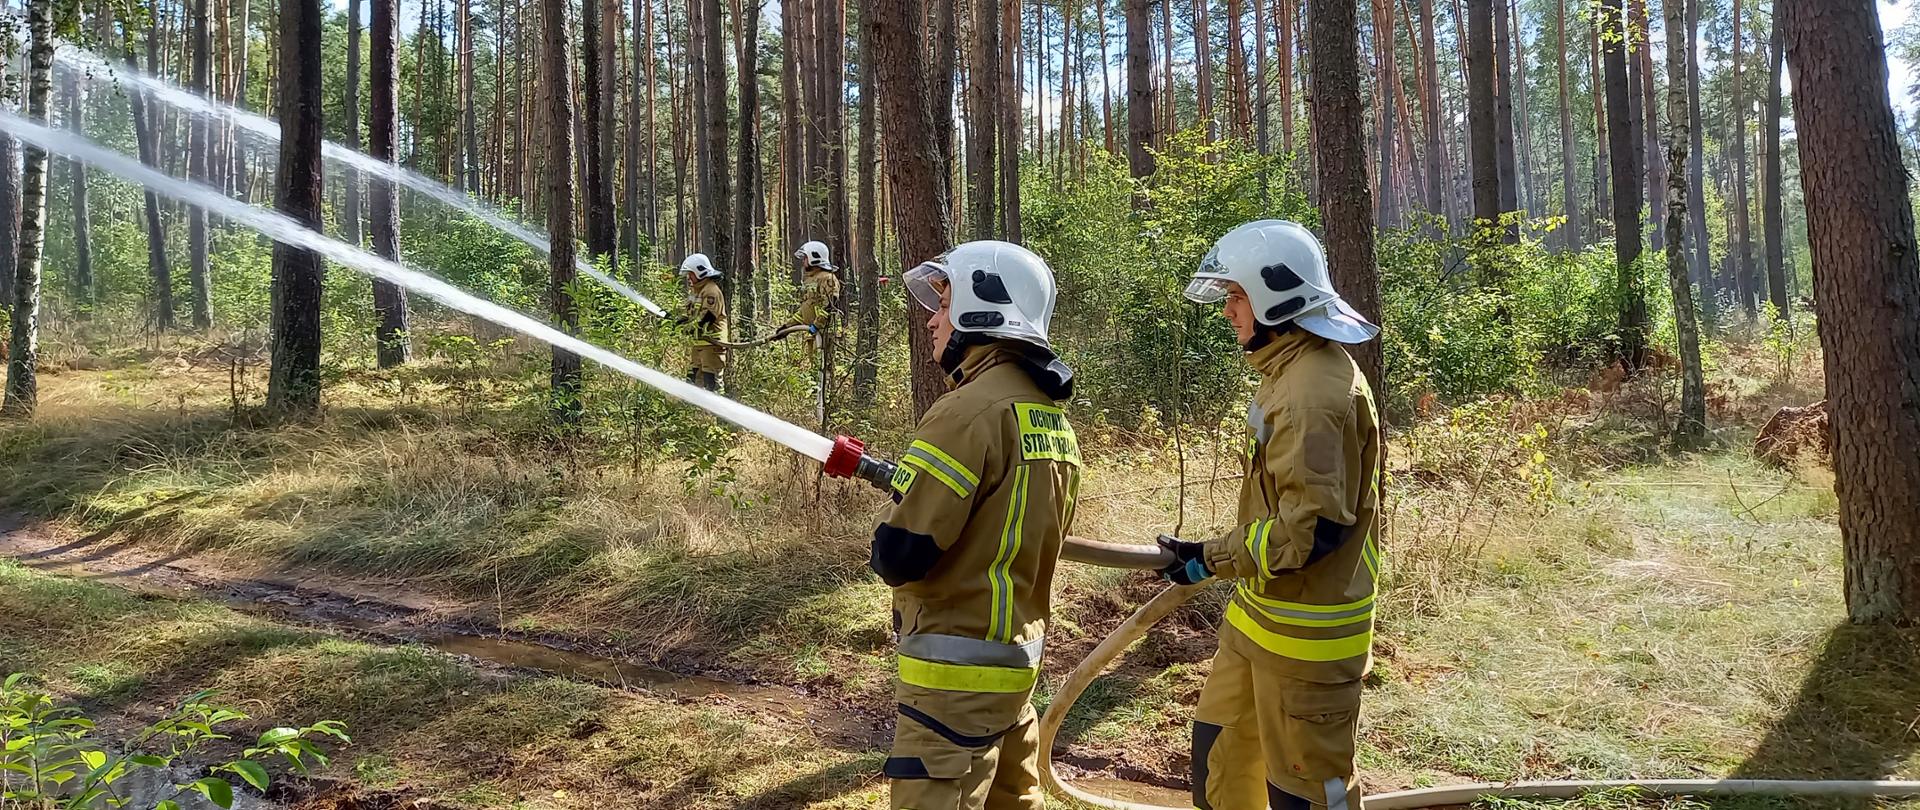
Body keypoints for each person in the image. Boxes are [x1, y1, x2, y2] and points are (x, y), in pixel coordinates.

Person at [1157, 220, 1384, 810]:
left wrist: (1211, 558)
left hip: (1307, 644)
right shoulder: (1288, 374)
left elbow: (1311, 532)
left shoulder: (1313, 392)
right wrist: (1211, 562)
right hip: (1260, 623)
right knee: (1221, 763)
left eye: (1237, 297)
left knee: (1304, 796)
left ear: (1275, 298)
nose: (1229, 311)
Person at [869, 241, 1082, 810]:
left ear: (983, 312)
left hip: (950, 686)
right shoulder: (1049, 419)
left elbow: (901, 554)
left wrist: (895, 517)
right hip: (1014, 674)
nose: (933, 322)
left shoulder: (965, 412)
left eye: (944, 305)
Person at [678, 253, 728, 391]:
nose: (689, 277)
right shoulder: (696, 291)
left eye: (691, 274)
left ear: (700, 272)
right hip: (699, 343)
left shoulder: (711, 290)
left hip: (712, 344)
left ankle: (718, 410)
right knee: (693, 380)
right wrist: (677, 321)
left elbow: (708, 317)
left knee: (711, 382)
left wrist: (689, 328)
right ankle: (698, 411)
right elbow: (689, 314)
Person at [788, 240, 843, 351]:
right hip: (812, 333)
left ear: (814, 257)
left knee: (826, 366)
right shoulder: (810, 280)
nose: (803, 261)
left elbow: (831, 304)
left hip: (827, 332)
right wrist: (787, 326)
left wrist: (817, 325)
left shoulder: (827, 278)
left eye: (805, 258)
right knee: (814, 366)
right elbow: (806, 306)